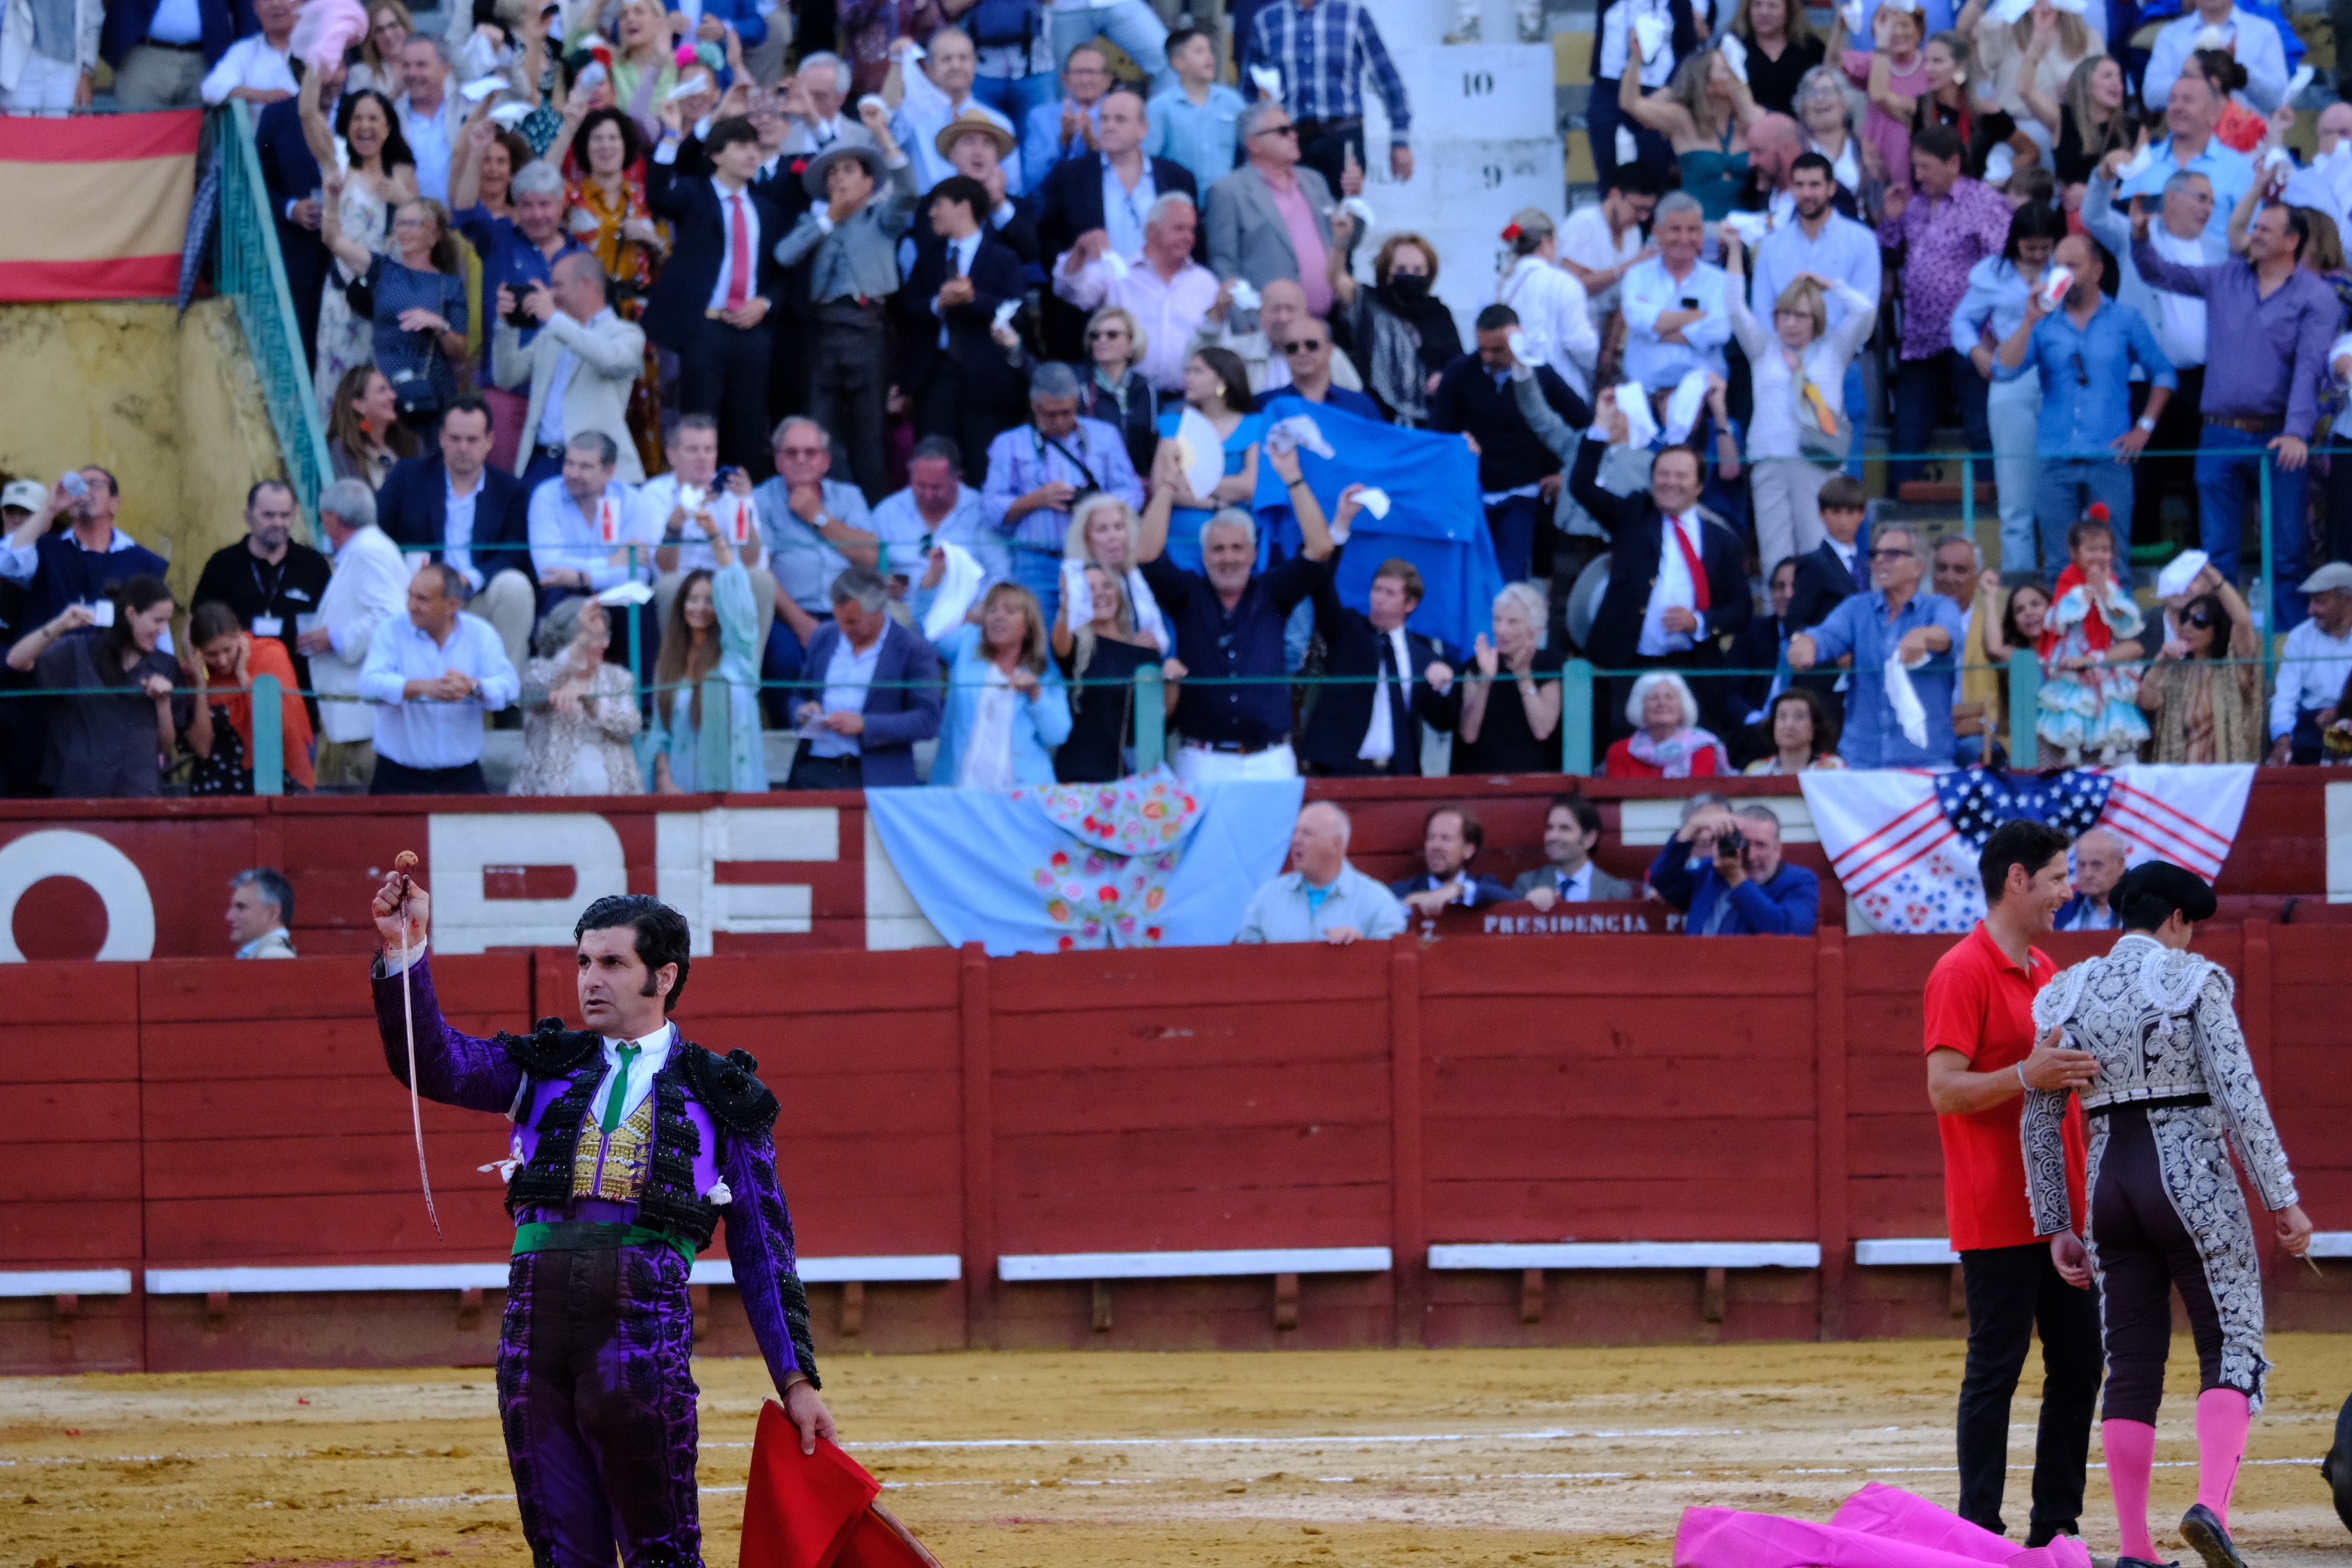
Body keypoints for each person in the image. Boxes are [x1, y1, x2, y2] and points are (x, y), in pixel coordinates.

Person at [365, 880, 832, 1565]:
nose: (590, 979)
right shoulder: (541, 1067)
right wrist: (406, 951)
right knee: (560, 1553)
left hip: (641, 1341)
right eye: (584, 961)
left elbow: (764, 1248)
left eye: (611, 964)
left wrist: (796, 1380)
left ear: (663, 976)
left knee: (662, 1553)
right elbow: (435, 1063)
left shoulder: (720, 1091)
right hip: (534, 1343)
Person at [2023, 862, 2311, 1568]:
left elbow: (2037, 1112)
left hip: (2108, 1188)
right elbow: (2239, 1096)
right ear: (2178, 921)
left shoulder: (2067, 991)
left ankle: (2132, 1547)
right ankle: (2211, 1504)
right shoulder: (2194, 980)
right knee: (2231, 1337)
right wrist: (2283, 1199)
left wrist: (2055, 1221)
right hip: (2192, 1181)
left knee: (2130, 1360)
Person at [1921, 819, 2103, 1545]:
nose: (2069, 890)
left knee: (2080, 1364)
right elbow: (1943, 1089)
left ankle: (2055, 1530)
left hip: (2058, 1207)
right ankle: (1979, 1533)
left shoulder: (2047, 974)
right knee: (1996, 1368)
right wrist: (2026, 1075)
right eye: (2058, 877)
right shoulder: (1961, 971)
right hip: (1994, 1204)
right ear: (2018, 880)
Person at [2132, 199, 2341, 632]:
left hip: (2279, 436)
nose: (2254, 235)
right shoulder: (2225, 277)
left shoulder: (2316, 296)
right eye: (2255, 228)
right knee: (2216, 553)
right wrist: (2139, 238)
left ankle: (2284, 648)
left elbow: (2310, 367)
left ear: (2292, 241)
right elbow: (2160, 273)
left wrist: (2297, 432)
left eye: (2266, 230)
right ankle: (2220, 644)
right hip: (2218, 433)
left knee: (2287, 552)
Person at [1138, 433, 1335, 782]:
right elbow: (1147, 555)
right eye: (1218, 550)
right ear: (1204, 556)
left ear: (1252, 553)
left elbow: (1320, 548)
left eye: (1236, 548)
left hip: (1269, 761)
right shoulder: (1187, 595)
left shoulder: (1274, 592)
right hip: (1202, 760)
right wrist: (1167, 486)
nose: (1228, 558)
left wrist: (1293, 479)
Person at [1992, 235, 2174, 585]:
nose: (2064, 273)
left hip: (2110, 458)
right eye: (2058, 266)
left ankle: (2114, 638)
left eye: (2072, 266)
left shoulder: (2125, 319)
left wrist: (2145, 427)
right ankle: (2064, 639)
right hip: (2055, 458)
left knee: (2112, 562)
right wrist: (2029, 320)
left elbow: (2163, 373)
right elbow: (2004, 369)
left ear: (2097, 271)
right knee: (2060, 567)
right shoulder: (2043, 323)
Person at [773, 107, 917, 503]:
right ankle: (822, 505)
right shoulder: (816, 223)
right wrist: (828, 219)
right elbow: (784, 254)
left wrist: (883, 138)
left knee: (868, 432)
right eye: (833, 174)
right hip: (823, 331)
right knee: (821, 429)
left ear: (869, 183)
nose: (839, 179)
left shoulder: (881, 221)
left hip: (867, 328)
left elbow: (908, 192)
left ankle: (872, 513)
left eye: (849, 171)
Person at [2084, 164, 2225, 565]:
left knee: (2203, 471)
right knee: (2143, 471)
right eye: (2201, 198)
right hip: (2145, 379)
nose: (2208, 208)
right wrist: (2104, 175)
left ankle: (2203, 559)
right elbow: (2093, 215)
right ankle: (2141, 555)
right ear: (2173, 199)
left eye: (2212, 201)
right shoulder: (2136, 237)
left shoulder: (2217, 249)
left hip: (2202, 378)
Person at [1574, 421, 1752, 737]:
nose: (1671, 482)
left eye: (1681, 476)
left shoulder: (1723, 541)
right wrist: (1600, 427)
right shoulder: (1632, 515)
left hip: (1691, 667)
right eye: (1663, 474)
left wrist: (1698, 621)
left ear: (1699, 486)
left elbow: (1741, 610)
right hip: (1627, 665)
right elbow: (1582, 487)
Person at [1721, 228, 1876, 577]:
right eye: (1784, 314)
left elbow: (1865, 313)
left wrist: (1828, 284)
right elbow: (1734, 308)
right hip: (1769, 459)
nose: (1790, 323)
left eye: (1801, 316)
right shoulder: (1762, 349)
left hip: (1817, 462)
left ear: (1817, 320)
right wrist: (1734, 251)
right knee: (1776, 558)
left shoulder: (1834, 350)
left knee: (1816, 551)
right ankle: (1781, 628)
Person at [646, 112, 785, 477]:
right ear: (716, 155)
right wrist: (671, 138)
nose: (752, 155)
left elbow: (783, 272)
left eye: (756, 147)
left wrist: (765, 303)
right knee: (700, 426)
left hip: (752, 333)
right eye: (741, 147)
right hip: (704, 329)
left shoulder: (767, 209)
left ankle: (740, 514)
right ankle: (696, 505)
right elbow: (658, 196)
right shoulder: (694, 193)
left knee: (748, 429)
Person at [1879, 125, 2013, 488]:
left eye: (1925, 167)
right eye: (1914, 167)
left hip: (1971, 336)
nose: (1917, 176)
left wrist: (1992, 331)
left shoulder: (1985, 202)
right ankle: (1898, 518)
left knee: (1981, 427)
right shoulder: (1915, 204)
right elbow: (1890, 256)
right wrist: (1891, 219)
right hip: (1921, 336)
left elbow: (2001, 268)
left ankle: (1991, 512)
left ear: (1953, 163)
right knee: (1908, 431)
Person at [1429, 308, 1592, 587]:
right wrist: (1458, 442)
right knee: (1470, 579)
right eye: (1483, 349)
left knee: (1510, 581)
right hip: (1472, 494)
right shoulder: (1459, 372)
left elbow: (1588, 428)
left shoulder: (1541, 376)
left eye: (1498, 350)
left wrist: (1567, 474)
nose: (1488, 357)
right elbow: (1436, 432)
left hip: (1522, 493)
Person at [377, 398, 538, 676]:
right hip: (418, 593)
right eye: (455, 438)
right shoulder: (408, 476)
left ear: (489, 441)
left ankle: (501, 692)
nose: (463, 448)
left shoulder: (510, 489)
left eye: (472, 439)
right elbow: (377, 533)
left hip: (477, 593)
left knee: (516, 586)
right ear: (441, 438)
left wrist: (470, 579)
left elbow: (514, 554)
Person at [1787, 521, 1968, 768]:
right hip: (1862, 762)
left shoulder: (1938, 607)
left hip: (1925, 763)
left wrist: (1925, 636)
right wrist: (1806, 642)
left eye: (1892, 554)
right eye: (1875, 554)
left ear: (1918, 566)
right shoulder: (1856, 608)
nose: (1880, 560)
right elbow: (1827, 635)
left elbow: (1949, 635)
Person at [1952, 202, 2066, 581]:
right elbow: (1962, 320)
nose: (2036, 254)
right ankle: (2020, 584)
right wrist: (1977, 353)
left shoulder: (2066, 271)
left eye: (2044, 246)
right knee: (2014, 497)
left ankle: (2066, 580)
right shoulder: (1991, 273)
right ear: (2014, 241)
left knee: (2064, 489)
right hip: (2010, 378)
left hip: (2061, 380)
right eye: (2028, 246)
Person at [985, 360, 1144, 625]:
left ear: (1077, 403)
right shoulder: (1008, 444)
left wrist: (1094, 505)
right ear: (1034, 406)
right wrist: (1036, 499)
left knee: (1100, 640)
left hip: (1095, 559)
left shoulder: (1104, 436)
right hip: (1036, 562)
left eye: (1066, 412)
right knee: (1041, 647)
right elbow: (990, 509)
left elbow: (1133, 493)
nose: (1059, 421)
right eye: (1050, 414)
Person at [302, 74, 422, 426]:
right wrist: (316, 61)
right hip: (343, 297)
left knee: (383, 392)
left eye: (374, 119)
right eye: (357, 118)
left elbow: (425, 232)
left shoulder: (401, 172)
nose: (365, 126)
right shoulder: (338, 167)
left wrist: (403, 200)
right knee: (338, 391)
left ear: (388, 127)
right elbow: (308, 114)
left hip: (387, 304)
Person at [901, 171, 1031, 472]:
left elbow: (1018, 309)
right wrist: (939, 303)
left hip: (987, 379)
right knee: (935, 463)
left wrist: (974, 299)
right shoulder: (929, 258)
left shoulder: (1003, 258)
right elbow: (908, 307)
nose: (931, 213)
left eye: (938, 205)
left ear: (963, 207)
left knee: (984, 465)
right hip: (936, 375)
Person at [10, 575, 184, 798]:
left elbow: (165, 746)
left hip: (140, 795)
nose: (163, 630)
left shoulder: (165, 664)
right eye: (157, 620)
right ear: (131, 614)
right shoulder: (77, 651)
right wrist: (59, 625)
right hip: (79, 793)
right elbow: (16, 661)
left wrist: (163, 703)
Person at [358, 562, 521, 795]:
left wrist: (473, 686)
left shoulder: (480, 633)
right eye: (410, 596)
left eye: (422, 599)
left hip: (462, 779)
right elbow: (367, 687)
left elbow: (510, 687)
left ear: (451, 605)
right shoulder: (390, 631)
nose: (411, 606)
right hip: (397, 778)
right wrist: (420, 687)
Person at [496, 250, 651, 492]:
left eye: (558, 285)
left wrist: (554, 319)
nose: (551, 294)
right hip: (541, 463)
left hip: (595, 467)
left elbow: (610, 360)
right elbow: (506, 378)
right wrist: (507, 325)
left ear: (587, 284)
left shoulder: (627, 334)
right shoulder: (552, 333)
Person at [1297, 548, 1457, 776]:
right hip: (1339, 768)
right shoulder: (1349, 630)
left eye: (1390, 593)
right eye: (1376, 589)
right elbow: (1322, 589)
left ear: (1410, 604)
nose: (1379, 598)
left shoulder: (1424, 656)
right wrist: (1337, 534)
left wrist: (1445, 686)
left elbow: (1442, 722)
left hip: (1397, 772)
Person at [754, 416, 884, 692]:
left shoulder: (848, 497)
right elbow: (760, 569)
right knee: (784, 661)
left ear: (825, 461)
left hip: (849, 610)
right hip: (787, 614)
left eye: (810, 453)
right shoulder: (761, 499)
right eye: (791, 452)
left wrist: (818, 516)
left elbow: (870, 556)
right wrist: (800, 623)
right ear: (778, 461)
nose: (801, 459)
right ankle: (789, 733)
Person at [786, 566, 943, 789]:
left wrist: (865, 724)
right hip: (815, 766)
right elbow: (797, 695)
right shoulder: (824, 637)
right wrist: (802, 712)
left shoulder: (913, 649)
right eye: (838, 619)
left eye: (852, 622)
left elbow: (928, 720)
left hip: (876, 776)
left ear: (877, 611)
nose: (843, 628)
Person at [1055, 190, 1218, 402]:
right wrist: (1080, 250)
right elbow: (1067, 290)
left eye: (1191, 230)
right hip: (1126, 399)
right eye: (1179, 228)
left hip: (1187, 401)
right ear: (1152, 231)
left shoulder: (1205, 282)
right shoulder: (1118, 273)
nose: (1188, 237)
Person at [1242, 0, 1413, 194]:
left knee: (1346, 216)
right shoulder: (1266, 21)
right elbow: (1249, 92)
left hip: (1343, 139)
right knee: (1293, 218)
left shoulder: (1353, 16)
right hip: (1290, 143)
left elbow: (1387, 78)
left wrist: (1400, 142)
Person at [648, 524, 767, 795]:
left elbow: (739, 604)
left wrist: (715, 534)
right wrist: (665, 782)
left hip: (737, 788)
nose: (700, 608)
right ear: (681, 605)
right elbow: (659, 732)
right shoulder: (669, 662)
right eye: (693, 599)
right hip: (681, 790)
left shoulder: (739, 655)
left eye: (710, 600)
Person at [308, 478, 411, 790]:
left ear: (331, 519)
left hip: (364, 719)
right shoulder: (371, 547)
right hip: (354, 716)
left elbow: (391, 615)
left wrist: (336, 638)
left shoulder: (368, 551)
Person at [190, 479, 335, 698]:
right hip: (235, 695)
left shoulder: (314, 565)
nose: (278, 522)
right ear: (248, 516)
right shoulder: (223, 564)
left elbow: (334, 620)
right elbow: (192, 628)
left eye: (285, 515)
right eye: (268, 515)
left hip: (298, 695)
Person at [926, 580, 1071, 787]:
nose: (998, 616)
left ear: (1028, 626)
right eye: (991, 610)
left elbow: (1058, 734)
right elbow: (931, 626)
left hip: (1021, 800)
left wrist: (1036, 695)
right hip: (959, 793)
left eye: (1010, 611)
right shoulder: (967, 643)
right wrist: (933, 578)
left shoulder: (1044, 673)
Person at [1203, 101, 1340, 314]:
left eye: (1294, 129)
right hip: (1268, 328)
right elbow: (1223, 266)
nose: (1294, 136)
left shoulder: (1314, 182)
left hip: (1326, 323)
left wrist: (1352, 201)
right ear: (1253, 144)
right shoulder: (1227, 192)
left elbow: (1341, 240)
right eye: (1283, 131)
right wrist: (1244, 323)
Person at [2035, 517, 2149, 765]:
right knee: (2075, 701)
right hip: (2074, 648)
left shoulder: (2112, 583)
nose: (2099, 556)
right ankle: (2072, 749)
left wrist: (2105, 592)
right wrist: (2083, 596)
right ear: (2074, 553)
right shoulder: (2068, 579)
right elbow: (2058, 618)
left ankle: (2109, 746)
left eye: (2105, 550)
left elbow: (2123, 623)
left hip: (2102, 652)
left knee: (2108, 699)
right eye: (2092, 550)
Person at [0, 467, 167, 632]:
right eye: (78, 486)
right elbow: (7, 565)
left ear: (114, 503)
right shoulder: (44, 547)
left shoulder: (144, 561)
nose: (85, 491)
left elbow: (157, 627)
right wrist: (50, 508)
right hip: (48, 657)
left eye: (94, 484)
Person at [509, 596, 643, 797]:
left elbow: (631, 725)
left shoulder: (618, 678)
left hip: (615, 803)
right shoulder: (538, 671)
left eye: (605, 635)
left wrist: (592, 702)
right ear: (569, 640)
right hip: (547, 804)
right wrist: (579, 647)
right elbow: (537, 690)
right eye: (594, 637)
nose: (605, 644)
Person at [1329, 229, 1463, 427]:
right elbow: (1337, 279)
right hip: (1378, 416)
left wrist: (1445, 376)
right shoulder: (1370, 304)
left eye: (1418, 270)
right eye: (1401, 269)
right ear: (1387, 271)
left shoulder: (1439, 313)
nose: (1410, 275)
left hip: (1430, 419)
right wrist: (1341, 241)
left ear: (1429, 273)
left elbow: (1458, 362)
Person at [180, 599, 314, 796]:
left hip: (266, 785)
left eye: (227, 650)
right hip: (212, 788)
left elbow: (281, 726)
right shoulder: (192, 674)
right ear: (199, 651)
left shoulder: (269, 656)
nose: (222, 661)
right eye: (212, 654)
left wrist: (244, 676)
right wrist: (201, 685)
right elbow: (201, 747)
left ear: (240, 638)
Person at [1619, 43, 1765, 221]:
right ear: (1706, 83)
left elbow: (1766, 131)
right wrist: (1636, 59)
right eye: (1727, 70)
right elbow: (1630, 103)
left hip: (1745, 229)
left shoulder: (1749, 120)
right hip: (1696, 231)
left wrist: (1741, 91)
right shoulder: (1682, 119)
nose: (1735, 74)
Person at [1234, 800, 1407, 944]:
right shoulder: (1267, 896)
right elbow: (1244, 962)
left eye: (1307, 833)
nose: (1296, 841)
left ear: (1336, 845)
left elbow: (1392, 961)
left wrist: (1361, 949)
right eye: (1295, 833)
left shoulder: (1377, 901)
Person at [1053, 562, 1164, 782]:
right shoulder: (1076, 645)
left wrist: (1171, 678)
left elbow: (1162, 717)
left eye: (1106, 586)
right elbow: (1059, 643)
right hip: (1079, 773)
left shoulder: (1144, 652)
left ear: (1119, 593)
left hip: (1131, 777)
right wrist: (1067, 601)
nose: (1100, 594)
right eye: (1090, 589)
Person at [889, 31, 1027, 198]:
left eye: (963, 58)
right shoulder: (911, 119)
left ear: (974, 65)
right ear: (930, 69)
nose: (956, 66)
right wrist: (897, 63)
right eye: (946, 59)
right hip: (924, 215)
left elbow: (1013, 188)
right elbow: (882, 128)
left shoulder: (999, 123)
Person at [1650, 800, 1819, 934]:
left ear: (1777, 849)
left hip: (1756, 975)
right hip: (1699, 970)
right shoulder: (1711, 872)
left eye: (1761, 845)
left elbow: (1785, 930)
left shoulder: (1799, 881)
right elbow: (1661, 879)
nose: (1751, 856)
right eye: (1744, 844)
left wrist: (1736, 878)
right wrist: (1690, 829)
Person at [1619, 192, 1732, 389]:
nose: (1684, 238)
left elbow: (1720, 331)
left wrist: (1654, 331)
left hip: (1704, 392)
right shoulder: (1637, 275)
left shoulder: (1719, 280)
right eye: (1675, 230)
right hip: (1645, 389)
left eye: (1692, 230)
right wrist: (1696, 317)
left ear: (1702, 234)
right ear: (1657, 232)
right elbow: (1635, 318)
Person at [1449, 581, 1563, 775]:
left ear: (1534, 629)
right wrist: (1485, 680)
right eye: (1497, 619)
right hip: (1479, 778)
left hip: (1534, 779)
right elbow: (1468, 734)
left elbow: (1542, 730)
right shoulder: (1476, 665)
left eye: (1512, 622)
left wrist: (1523, 675)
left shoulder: (1549, 665)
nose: (1501, 630)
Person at [1188, 275, 1367, 397]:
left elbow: (1355, 402)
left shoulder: (1327, 354)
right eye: (1275, 309)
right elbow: (1192, 365)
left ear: (1306, 313)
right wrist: (1216, 315)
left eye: (1290, 309)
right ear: (1260, 315)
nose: (1283, 318)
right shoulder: (1239, 352)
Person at [1488, 210, 1600, 399]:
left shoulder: (1497, 286)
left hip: (1511, 392)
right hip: (1561, 391)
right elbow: (1581, 345)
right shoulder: (1564, 283)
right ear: (1547, 242)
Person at [872, 437, 1007, 592]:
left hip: (968, 610)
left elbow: (1000, 574)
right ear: (910, 476)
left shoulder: (980, 510)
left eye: (936, 487)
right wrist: (885, 584)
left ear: (957, 478)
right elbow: (868, 568)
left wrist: (979, 609)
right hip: (900, 609)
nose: (928, 495)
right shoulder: (888, 511)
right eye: (921, 485)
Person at [1053, 492, 1170, 656]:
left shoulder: (1134, 575)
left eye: (1118, 527)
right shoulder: (1076, 579)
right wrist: (1130, 646)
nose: (1113, 536)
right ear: (1087, 539)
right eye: (1102, 529)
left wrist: (1153, 644)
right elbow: (1077, 643)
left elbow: (1160, 637)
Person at [1144, 27, 1248, 194]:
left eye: (1210, 51)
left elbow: (1251, 146)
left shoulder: (1232, 101)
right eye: (1199, 51)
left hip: (1226, 199)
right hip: (1178, 199)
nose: (1210, 57)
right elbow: (1149, 159)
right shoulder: (1159, 107)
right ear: (1178, 63)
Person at [2267, 562, 2352, 761]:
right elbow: (2285, 697)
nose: (2310, 610)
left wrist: (2342, 712)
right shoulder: (2300, 637)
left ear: (2347, 601)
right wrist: (2282, 741)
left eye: (2320, 601)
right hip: (2314, 726)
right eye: (2310, 601)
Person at [2141, 0, 2289, 115]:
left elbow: (2277, 98)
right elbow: (2151, 96)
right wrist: (2189, 78)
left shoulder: (2264, 32)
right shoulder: (2170, 35)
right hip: (2188, 145)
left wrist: (2236, 70)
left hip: (2248, 147)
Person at [2026, 54, 2133, 197]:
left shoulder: (2134, 127)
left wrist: (2088, 194)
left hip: (2116, 212)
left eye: (2120, 78)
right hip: (2071, 213)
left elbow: (2142, 189)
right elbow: (2026, 92)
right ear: (2085, 83)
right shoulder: (2062, 118)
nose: (2117, 84)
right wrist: (2035, 49)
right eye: (2108, 76)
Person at [100, 0, 238, 110]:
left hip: (204, 59)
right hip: (144, 57)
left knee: (198, 140)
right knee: (137, 137)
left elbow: (246, 7)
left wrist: (247, 57)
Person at [1020, 43, 1112, 197]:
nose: (1085, 80)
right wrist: (1062, 144)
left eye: (1092, 72)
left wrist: (1094, 148)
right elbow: (1031, 181)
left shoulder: (1121, 117)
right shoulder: (1040, 117)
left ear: (1107, 80)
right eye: (1078, 73)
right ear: (1065, 79)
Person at [1513, 793, 1637, 906]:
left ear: (1589, 838)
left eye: (1565, 828)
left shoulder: (1616, 892)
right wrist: (1527, 906)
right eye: (1550, 828)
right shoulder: (1527, 885)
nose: (1553, 836)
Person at [1605, 668, 1729, 777]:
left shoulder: (1702, 748)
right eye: (1654, 698)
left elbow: (1701, 796)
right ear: (1640, 707)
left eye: (1669, 697)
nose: (1662, 703)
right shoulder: (1620, 751)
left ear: (1682, 707)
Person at [1391, 804, 1513, 915]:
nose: (1435, 846)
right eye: (1431, 837)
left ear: (1468, 850)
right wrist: (1405, 905)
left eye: (1446, 838)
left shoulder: (1485, 885)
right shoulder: (1403, 890)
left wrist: (1459, 889)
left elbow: (1512, 900)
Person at [1261, 315, 1380, 421]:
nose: (1302, 352)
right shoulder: (1264, 404)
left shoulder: (1360, 405)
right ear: (1284, 353)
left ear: (1329, 350)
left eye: (1311, 345)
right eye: (1292, 347)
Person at [391, 33, 461, 204]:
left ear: (445, 70)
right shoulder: (391, 118)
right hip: (414, 223)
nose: (412, 73)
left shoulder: (464, 110)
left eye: (421, 65)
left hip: (464, 222)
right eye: (406, 66)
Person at [327, 366, 418, 492]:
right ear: (359, 405)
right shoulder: (342, 451)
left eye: (390, 389)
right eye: (382, 390)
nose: (393, 396)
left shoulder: (407, 440)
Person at [2, 0, 99, 112]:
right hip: (23, 59)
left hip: (66, 66)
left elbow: (92, 22)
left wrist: (86, 74)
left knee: (59, 127)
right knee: (18, 125)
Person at [199, 0, 295, 107]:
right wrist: (264, 96)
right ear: (255, 8)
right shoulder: (244, 50)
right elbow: (211, 88)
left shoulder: (315, 46)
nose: (275, 4)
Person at [1744, 685, 1844, 773]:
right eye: (1782, 717)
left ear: (1815, 727)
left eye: (1799, 717)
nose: (1789, 724)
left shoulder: (1833, 768)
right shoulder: (1756, 771)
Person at [2050, 825, 2126, 931]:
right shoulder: (2059, 910)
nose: (2088, 874)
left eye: (2097, 865)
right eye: (2081, 865)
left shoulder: (2141, 908)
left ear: (2120, 865)